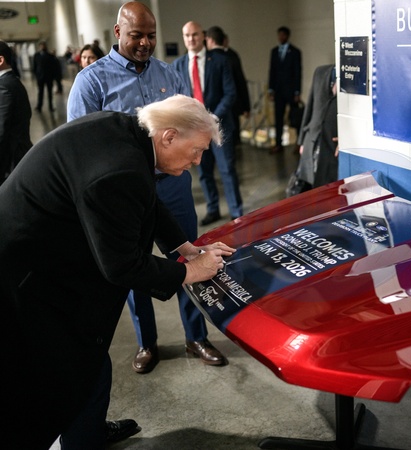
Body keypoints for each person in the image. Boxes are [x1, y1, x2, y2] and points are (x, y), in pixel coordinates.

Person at [0, 94, 236, 450]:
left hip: (41, 256)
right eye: (197, 151)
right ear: (169, 136)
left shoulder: (127, 133)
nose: (197, 162)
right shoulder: (119, 170)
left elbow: (148, 201)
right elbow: (122, 265)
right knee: (72, 370)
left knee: (88, 368)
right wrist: (191, 271)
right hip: (28, 280)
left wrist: (185, 248)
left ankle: (87, 430)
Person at [174, 21, 242, 226]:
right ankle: (213, 209)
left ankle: (236, 211)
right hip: (194, 130)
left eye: (195, 34)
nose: (191, 39)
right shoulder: (177, 65)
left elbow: (230, 93)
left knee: (227, 169)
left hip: (219, 126)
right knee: (203, 172)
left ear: (203, 36)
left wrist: (211, 118)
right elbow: (177, 97)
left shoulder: (220, 60)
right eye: (187, 35)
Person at [295, 64, 339, 190]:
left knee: (327, 187)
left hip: (333, 146)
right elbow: (309, 106)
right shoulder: (320, 72)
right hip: (312, 140)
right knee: (307, 185)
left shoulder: (354, 75)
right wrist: (302, 141)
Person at [0, 40, 32, 186]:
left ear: (1, 60)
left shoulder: (3, 87)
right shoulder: (12, 81)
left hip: (8, 163)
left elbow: (1, 131)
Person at [267, 26, 302, 154]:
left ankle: (299, 143)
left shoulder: (295, 52)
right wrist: (271, 89)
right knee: (278, 118)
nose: (280, 37)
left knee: (295, 117)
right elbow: (272, 71)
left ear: (287, 36)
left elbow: (298, 72)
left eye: (283, 35)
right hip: (278, 91)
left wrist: (297, 92)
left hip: (291, 91)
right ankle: (278, 143)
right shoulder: (274, 51)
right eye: (279, 35)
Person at [32, 40, 58, 112]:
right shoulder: (36, 55)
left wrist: (53, 76)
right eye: (41, 45)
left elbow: (53, 67)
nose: (42, 47)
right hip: (40, 77)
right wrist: (36, 75)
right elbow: (35, 66)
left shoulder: (50, 55)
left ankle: (51, 106)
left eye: (43, 45)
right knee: (40, 92)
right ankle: (39, 106)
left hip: (49, 77)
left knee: (50, 92)